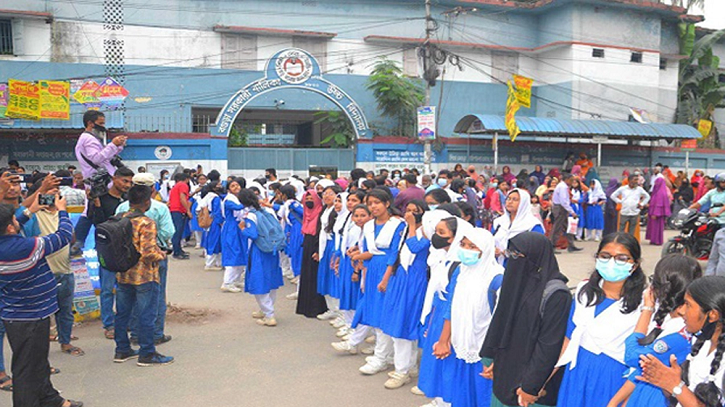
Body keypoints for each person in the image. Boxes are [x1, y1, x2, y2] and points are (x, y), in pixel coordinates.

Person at [0, 196, 84, 407]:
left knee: (37, 361)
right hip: (29, 315)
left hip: (20, 314)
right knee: (26, 367)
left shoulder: (10, 243)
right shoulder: (26, 247)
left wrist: (30, 211)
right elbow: (63, 236)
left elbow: (12, 226)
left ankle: (50, 399)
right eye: (14, 219)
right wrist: (62, 211)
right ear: (10, 227)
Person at [481, 232, 571, 407]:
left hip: (530, 388)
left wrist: (531, 387)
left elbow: (549, 346)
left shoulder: (556, 294)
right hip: (505, 376)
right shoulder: (517, 282)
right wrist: (495, 359)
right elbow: (502, 322)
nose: (513, 260)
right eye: (511, 254)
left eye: (518, 255)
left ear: (536, 256)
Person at [556, 233, 646, 407]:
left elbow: (642, 354)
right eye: (605, 256)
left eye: (621, 258)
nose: (612, 263)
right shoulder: (584, 293)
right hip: (577, 372)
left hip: (614, 378)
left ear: (634, 265)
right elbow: (568, 340)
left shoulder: (643, 304)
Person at [607, 254, 701, 407]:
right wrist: (616, 402)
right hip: (642, 392)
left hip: (657, 399)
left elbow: (634, 357)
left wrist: (647, 308)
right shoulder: (668, 319)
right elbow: (640, 371)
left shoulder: (681, 332)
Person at [637, 275, 725, 407]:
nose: (682, 311)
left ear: (713, 315)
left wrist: (675, 385)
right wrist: (662, 380)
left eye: (688, 305)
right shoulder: (702, 342)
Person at [113, 184, 173, 367]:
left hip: (123, 274)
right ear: (147, 201)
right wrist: (161, 255)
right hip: (144, 275)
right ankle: (147, 353)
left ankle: (122, 350)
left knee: (122, 313)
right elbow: (148, 253)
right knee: (146, 314)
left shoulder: (119, 218)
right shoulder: (146, 222)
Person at [417, 216, 469, 406]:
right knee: (436, 362)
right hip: (438, 315)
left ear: (455, 237)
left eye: (442, 233)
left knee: (448, 361)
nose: (436, 237)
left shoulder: (459, 263)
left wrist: (444, 337)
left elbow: (453, 302)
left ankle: (447, 401)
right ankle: (439, 399)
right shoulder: (444, 258)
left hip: (449, 319)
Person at [379, 199, 430, 389]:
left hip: (415, 281)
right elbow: (396, 252)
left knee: (405, 324)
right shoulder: (402, 230)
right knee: (398, 322)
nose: (410, 214)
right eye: (407, 210)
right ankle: (407, 366)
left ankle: (403, 370)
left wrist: (411, 225)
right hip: (400, 277)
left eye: (414, 211)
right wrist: (386, 278)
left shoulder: (426, 229)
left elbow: (415, 246)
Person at [355, 188, 406, 376]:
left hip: (389, 271)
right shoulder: (369, 225)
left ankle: (381, 357)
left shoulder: (397, 225)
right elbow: (370, 251)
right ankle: (385, 354)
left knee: (386, 314)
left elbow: (395, 252)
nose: (373, 206)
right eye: (370, 203)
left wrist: (385, 278)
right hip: (373, 268)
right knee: (375, 312)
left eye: (377, 202)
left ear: (387, 204)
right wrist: (360, 262)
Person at [32, 184, 85, 357]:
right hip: (43, 273)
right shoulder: (35, 214)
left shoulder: (63, 214)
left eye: (57, 195)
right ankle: (41, 349)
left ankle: (65, 342)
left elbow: (71, 238)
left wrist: (63, 214)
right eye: (50, 195)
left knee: (65, 311)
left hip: (65, 270)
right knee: (42, 315)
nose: (54, 198)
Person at [89, 166, 134, 339]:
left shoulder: (128, 200)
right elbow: (97, 223)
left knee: (126, 288)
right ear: (114, 179)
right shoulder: (101, 198)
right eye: (125, 181)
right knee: (107, 290)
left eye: (130, 182)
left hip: (126, 250)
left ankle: (125, 321)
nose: (127, 185)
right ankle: (108, 324)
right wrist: (97, 204)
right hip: (106, 251)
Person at [236, 189, 284, 327]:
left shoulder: (250, 215)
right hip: (272, 249)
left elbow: (252, 234)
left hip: (259, 250)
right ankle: (266, 310)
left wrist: (242, 228)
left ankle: (269, 315)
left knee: (259, 280)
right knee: (271, 280)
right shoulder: (267, 211)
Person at [296, 189, 328, 318]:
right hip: (307, 246)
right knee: (307, 276)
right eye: (306, 199)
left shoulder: (321, 213)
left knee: (315, 277)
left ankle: (317, 308)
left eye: (311, 199)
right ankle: (306, 307)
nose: (309, 202)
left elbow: (321, 233)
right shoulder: (306, 214)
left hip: (316, 247)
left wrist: (317, 250)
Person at [492, 189, 544, 264]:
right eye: (508, 199)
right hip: (497, 268)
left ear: (523, 203)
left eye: (515, 199)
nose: (510, 202)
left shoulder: (532, 225)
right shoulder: (499, 223)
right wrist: (493, 250)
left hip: (521, 270)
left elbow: (538, 250)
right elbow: (490, 241)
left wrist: (510, 253)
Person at [74, 110, 126, 180]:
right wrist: (113, 145)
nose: (103, 127)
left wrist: (117, 145)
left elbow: (106, 157)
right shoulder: (88, 139)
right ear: (90, 123)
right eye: (100, 123)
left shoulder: (92, 138)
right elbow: (97, 159)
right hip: (99, 181)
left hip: (105, 178)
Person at [316, 185, 343, 321]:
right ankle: (331, 308)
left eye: (331, 194)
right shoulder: (325, 209)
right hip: (324, 245)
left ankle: (339, 311)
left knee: (334, 278)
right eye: (325, 193)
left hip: (332, 245)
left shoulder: (337, 211)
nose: (326, 196)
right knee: (325, 277)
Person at [220, 179, 247, 293]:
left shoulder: (237, 198)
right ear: (228, 189)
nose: (236, 187)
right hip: (232, 229)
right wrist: (250, 201)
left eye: (237, 185)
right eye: (233, 186)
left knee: (241, 254)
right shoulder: (229, 200)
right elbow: (237, 207)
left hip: (238, 228)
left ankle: (235, 280)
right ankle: (227, 282)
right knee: (233, 254)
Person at [550, 173, 582, 252]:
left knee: (568, 226)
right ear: (567, 179)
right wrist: (572, 212)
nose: (572, 182)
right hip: (560, 208)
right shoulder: (563, 187)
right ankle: (551, 245)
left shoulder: (563, 186)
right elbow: (564, 202)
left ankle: (571, 245)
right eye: (571, 180)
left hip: (561, 208)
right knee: (557, 228)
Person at [168, 172, 192, 260]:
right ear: (186, 179)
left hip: (174, 209)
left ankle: (179, 249)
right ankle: (176, 252)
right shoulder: (183, 185)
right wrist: (188, 210)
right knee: (178, 231)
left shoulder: (176, 186)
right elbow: (182, 198)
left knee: (178, 231)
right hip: (178, 210)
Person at [645, 177, 671, 246]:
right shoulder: (660, 191)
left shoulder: (660, 193)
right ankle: (656, 239)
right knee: (657, 227)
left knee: (656, 227)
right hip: (656, 213)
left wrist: (655, 213)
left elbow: (659, 204)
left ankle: (655, 240)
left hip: (656, 214)